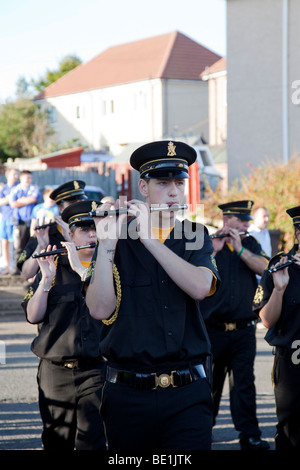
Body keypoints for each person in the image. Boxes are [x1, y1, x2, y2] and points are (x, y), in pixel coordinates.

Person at [86, 140, 220, 451]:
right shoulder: (116, 238)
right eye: (163, 183)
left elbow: (200, 287)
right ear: (143, 188)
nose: (174, 192)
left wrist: (149, 239)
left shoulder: (196, 235)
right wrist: (107, 245)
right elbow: (99, 308)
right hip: (128, 395)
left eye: (179, 182)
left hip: (188, 393)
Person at [21, 200, 106, 450]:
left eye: (95, 228)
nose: (91, 234)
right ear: (70, 233)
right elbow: (33, 316)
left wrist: (85, 274)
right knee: (56, 440)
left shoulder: (110, 269)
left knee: (93, 440)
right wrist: (46, 280)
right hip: (55, 370)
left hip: (96, 369)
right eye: (83, 228)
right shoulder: (53, 265)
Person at [200, 200, 270, 450]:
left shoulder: (249, 243)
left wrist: (240, 249)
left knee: (244, 385)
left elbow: (266, 269)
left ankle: (249, 435)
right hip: (213, 330)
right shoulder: (208, 242)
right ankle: (202, 434)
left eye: (247, 220)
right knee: (209, 386)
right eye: (241, 220)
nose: (246, 224)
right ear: (227, 220)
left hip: (243, 330)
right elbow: (195, 273)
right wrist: (216, 250)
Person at [253, 205, 300, 449]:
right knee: (289, 433)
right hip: (291, 365)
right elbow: (267, 320)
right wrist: (280, 290)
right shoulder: (280, 266)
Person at [19, 180, 87, 281]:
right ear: (60, 208)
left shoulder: (94, 231)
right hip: (55, 294)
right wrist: (41, 246)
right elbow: (26, 275)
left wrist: (70, 238)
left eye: (81, 202)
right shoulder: (45, 231)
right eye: (72, 203)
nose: (78, 206)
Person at [9, 170, 40, 275]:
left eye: (30, 178)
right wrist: (27, 200)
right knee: (18, 245)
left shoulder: (34, 188)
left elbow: (34, 199)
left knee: (31, 244)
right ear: (21, 178)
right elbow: (12, 204)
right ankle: (17, 268)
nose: (28, 180)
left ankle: (29, 268)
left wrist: (20, 201)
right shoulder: (15, 189)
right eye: (26, 178)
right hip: (19, 221)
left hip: (31, 221)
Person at [0, 168, 19, 274]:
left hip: (16, 220)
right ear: (7, 175)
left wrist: (11, 200)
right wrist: (12, 199)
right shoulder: (3, 188)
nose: (15, 176)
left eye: (17, 174)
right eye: (13, 174)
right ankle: (7, 267)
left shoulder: (19, 188)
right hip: (4, 219)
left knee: (16, 245)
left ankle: (16, 267)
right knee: (5, 244)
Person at [248, 207, 272, 283]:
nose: (267, 219)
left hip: (266, 274)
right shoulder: (250, 233)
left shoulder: (266, 232)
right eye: (264, 216)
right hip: (255, 276)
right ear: (254, 217)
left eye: (267, 216)